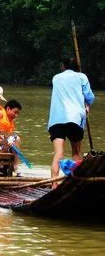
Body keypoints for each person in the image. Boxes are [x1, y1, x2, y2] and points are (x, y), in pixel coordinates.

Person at [48, 57, 95, 186]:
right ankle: (73, 183)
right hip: (75, 119)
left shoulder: (56, 78)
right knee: (76, 153)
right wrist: (86, 104)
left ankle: (54, 185)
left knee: (58, 154)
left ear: (63, 66)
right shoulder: (82, 77)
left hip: (57, 119)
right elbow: (90, 97)